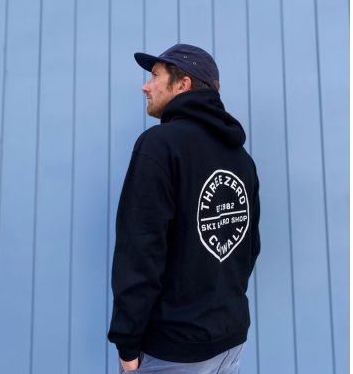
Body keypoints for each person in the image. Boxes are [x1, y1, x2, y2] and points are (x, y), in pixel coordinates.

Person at [108, 44, 261, 374]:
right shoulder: (242, 159)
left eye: (155, 76)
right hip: (230, 339)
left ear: (183, 84)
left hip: (174, 350)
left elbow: (140, 251)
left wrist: (127, 341)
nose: (145, 86)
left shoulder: (159, 145)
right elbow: (248, 249)